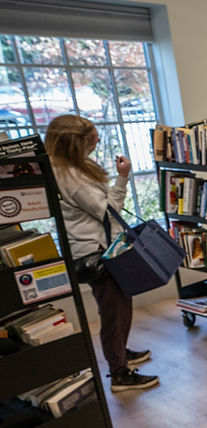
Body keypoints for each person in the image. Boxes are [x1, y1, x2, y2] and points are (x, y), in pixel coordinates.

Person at [45, 115, 158, 391]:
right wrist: (122, 178)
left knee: (119, 307)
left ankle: (119, 352)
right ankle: (119, 372)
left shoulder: (66, 169)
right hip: (97, 254)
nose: (98, 139)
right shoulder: (72, 177)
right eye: (93, 136)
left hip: (97, 249)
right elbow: (110, 211)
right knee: (114, 312)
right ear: (77, 143)